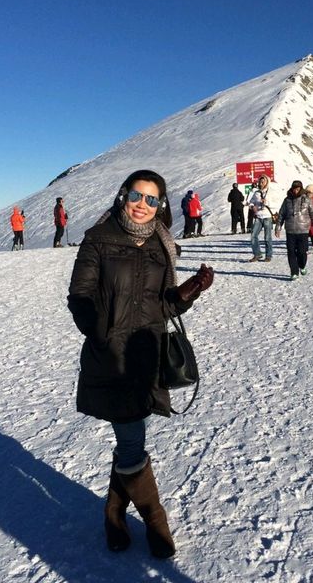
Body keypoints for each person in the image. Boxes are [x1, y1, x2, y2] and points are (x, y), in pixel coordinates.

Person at [67, 169, 214, 559]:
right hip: (111, 357)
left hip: (146, 356)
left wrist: (188, 292)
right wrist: (98, 329)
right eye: (137, 195)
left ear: (161, 205)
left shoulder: (162, 246)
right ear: (122, 196)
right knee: (132, 439)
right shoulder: (98, 239)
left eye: (152, 200)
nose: (143, 205)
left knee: (130, 437)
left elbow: (163, 305)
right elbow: (79, 295)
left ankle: (114, 512)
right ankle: (154, 517)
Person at [276, 180, 313, 280]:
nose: (295, 191)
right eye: (294, 188)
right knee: (291, 252)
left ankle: (302, 265)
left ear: (301, 189)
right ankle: (294, 272)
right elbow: (281, 214)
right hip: (290, 230)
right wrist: (278, 227)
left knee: (302, 252)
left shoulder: (307, 200)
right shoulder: (287, 200)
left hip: (303, 230)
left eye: (297, 188)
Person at [247, 175, 274, 262]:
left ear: (267, 182)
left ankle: (268, 255)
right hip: (258, 216)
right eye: (260, 182)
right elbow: (251, 202)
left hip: (267, 216)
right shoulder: (257, 192)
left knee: (267, 237)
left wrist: (267, 203)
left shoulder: (271, 192)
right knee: (253, 235)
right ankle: (257, 254)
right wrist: (252, 207)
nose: (261, 183)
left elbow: (276, 204)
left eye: (263, 182)